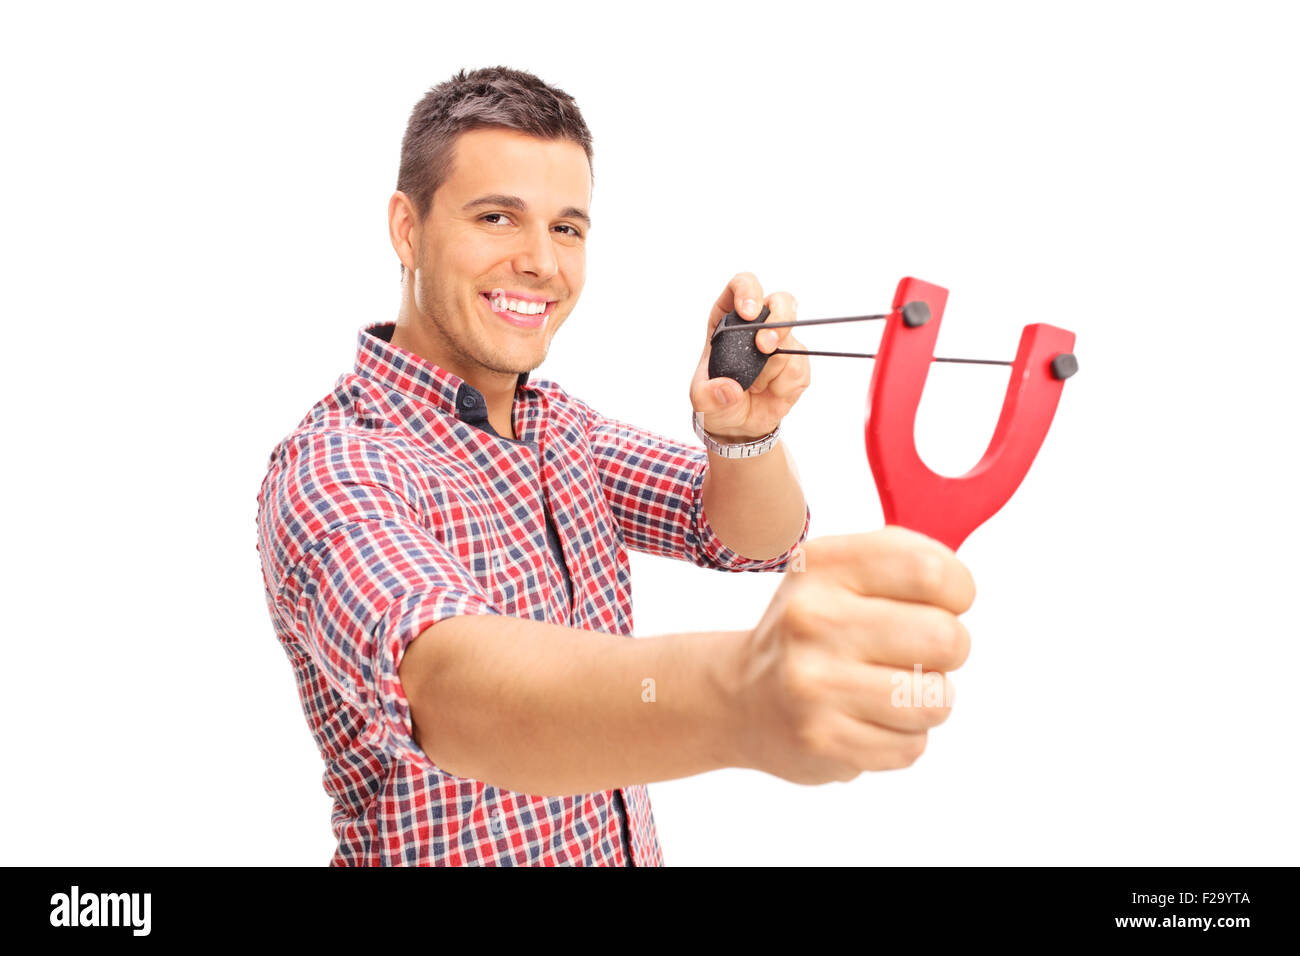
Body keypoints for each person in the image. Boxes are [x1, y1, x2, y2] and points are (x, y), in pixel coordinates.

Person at [255, 66, 975, 867]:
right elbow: (451, 691)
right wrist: (740, 692)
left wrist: (745, 435)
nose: (541, 262)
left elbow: (748, 537)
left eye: (568, 228)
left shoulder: (563, 429)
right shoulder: (333, 467)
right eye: (497, 217)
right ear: (407, 227)